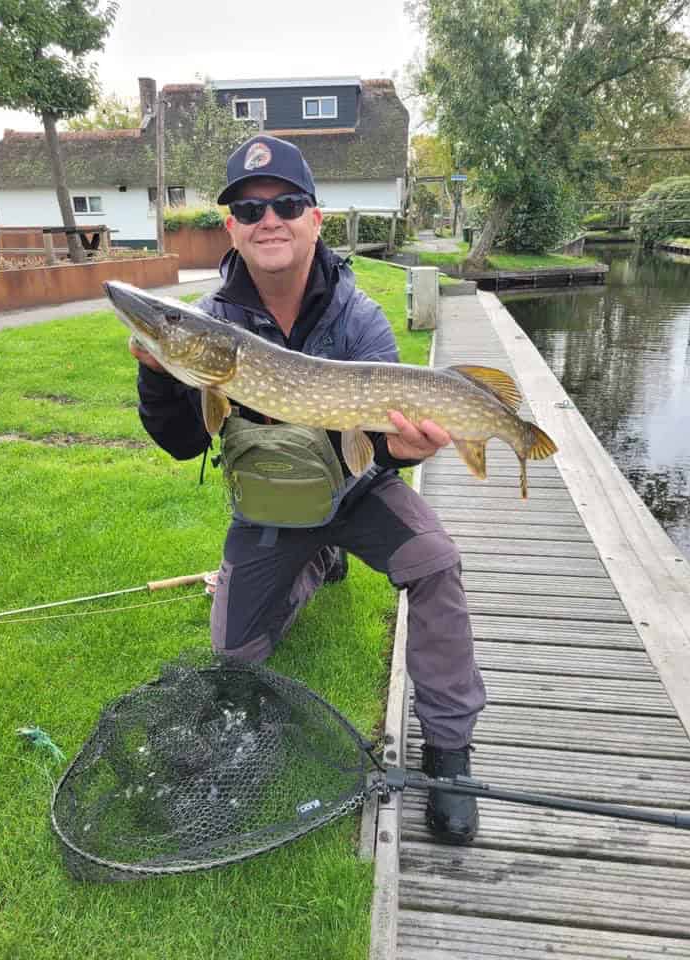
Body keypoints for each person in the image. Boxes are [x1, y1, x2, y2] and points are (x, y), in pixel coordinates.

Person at [129, 134, 487, 844]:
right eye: (249, 208)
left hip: (353, 499)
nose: (269, 218)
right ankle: (315, 562)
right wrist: (160, 372)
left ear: (314, 219)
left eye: (286, 204)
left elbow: (377, 453)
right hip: (272, 506)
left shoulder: (358, 319)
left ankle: (450, 751)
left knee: (437, 562)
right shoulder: (211, 325)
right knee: (234, 657)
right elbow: (180, 443)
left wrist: (399, 449)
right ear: (230, 227)